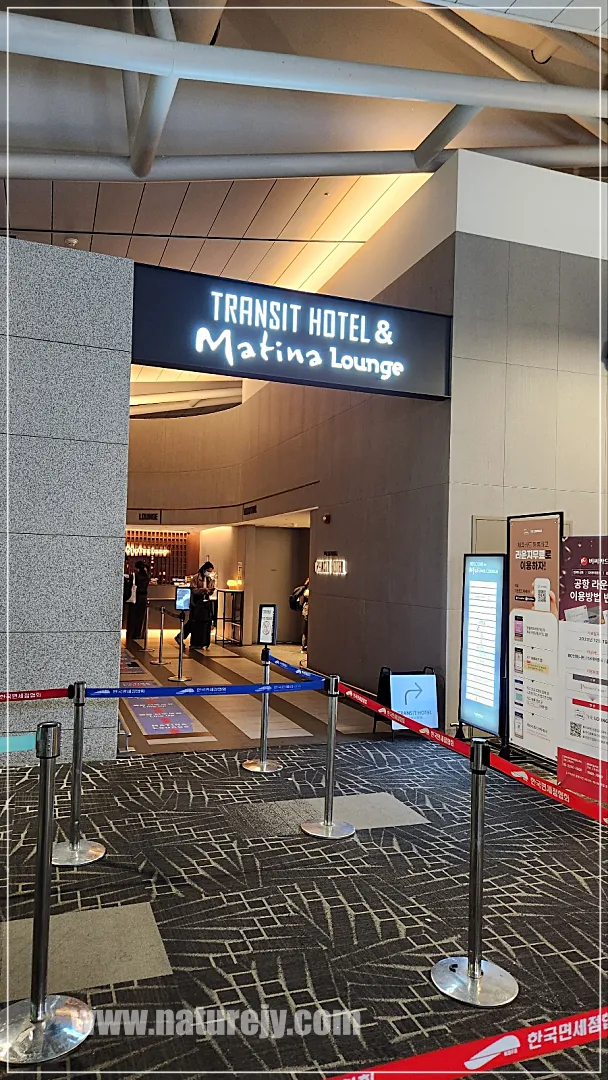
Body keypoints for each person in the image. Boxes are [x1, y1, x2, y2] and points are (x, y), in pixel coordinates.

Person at [176, 562, 216, 650]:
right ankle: (182, 637)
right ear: (204, 569)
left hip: (205, 603)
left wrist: (210, 590)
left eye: (210, 571)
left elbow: (210, 591)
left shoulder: (209, 579)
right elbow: (193, 590)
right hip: (196, 602)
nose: (209, 573)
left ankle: (199, 641)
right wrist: (202, 590)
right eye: (208, 571)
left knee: (199, 623)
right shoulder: (196, 578)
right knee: (193, 622)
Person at [126, 560, 149, 642]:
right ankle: (138, 633)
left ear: (137, 568)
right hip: (144, 597)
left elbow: (129, 586)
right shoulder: (146, 576)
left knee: (132, 615)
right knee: (140, 616)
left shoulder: (134, 576)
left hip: (135, 597)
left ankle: (130, 633)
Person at [290, 577, 309, 653]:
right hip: (307, 610)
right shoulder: (307, 591)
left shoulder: (305, 590)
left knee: (306, 629)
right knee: (306, 629)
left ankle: (304, 646)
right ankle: (304, 646)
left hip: (305, 610)